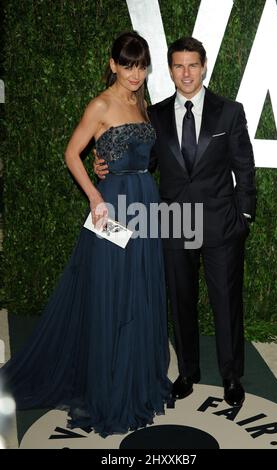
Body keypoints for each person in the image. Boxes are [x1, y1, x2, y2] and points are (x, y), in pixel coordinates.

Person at [1, 31, 172, 438]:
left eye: (142, 65)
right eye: (128, 64)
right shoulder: (100, 104)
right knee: (113, 293)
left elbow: (135, 156)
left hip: (145, 201)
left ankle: (138, 377)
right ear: (112, 64)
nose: (135, 73)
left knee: (140, 290)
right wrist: (95, 194)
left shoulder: (140, 102)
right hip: (112, 206)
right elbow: (70, 152)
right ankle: (111, 387)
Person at [95, 37, 256, 407]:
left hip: (220, 224)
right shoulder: (156, 114)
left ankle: (231, 376)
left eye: (193, 65)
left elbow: (244, 170)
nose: (186, 73)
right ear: (170, 70)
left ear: (204, 67)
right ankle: (187, 372)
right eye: (179, 66)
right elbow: (141, 159)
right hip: (174, 221)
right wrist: (103, 163)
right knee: (180, 302)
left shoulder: (229, 112)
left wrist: (243, 217)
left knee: (226, 303)